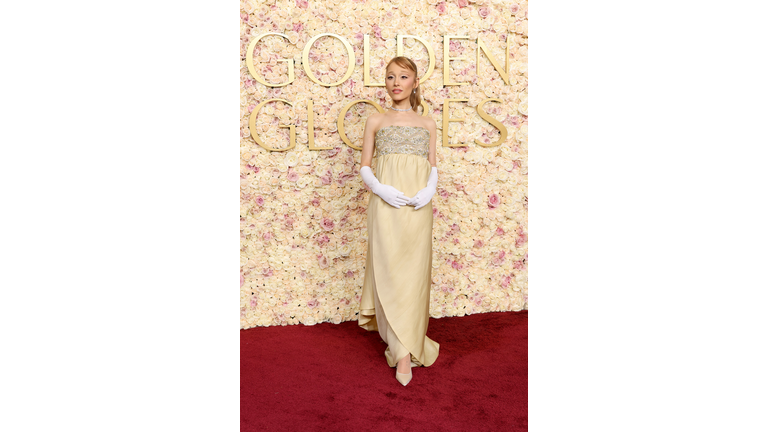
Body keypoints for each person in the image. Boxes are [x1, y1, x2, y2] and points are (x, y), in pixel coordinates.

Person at [358, 56, 440, 386]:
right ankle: (402, 351)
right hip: (386, 205)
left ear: (415, 82)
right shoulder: (376, 120)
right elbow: (365, 165)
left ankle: (407, 346)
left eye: (403, 76)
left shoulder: (429, 123)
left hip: (419, 207)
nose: (396, 82)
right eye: (390, 76)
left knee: (414, 273)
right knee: (390, 269)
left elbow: (433, 164)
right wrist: (380, 188)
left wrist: (429, 189)